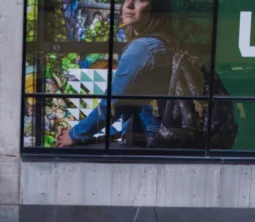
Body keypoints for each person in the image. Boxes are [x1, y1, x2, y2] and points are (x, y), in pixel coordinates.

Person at [56, 0, 175, 147]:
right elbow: (124, 106)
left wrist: (74, 134)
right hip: (157, 138)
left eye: (140, 0)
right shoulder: (162, 43)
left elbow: (113, 102)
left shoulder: (142, 48)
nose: (129, 4)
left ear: (156, 9)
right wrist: (81, 135)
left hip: (146, 144)